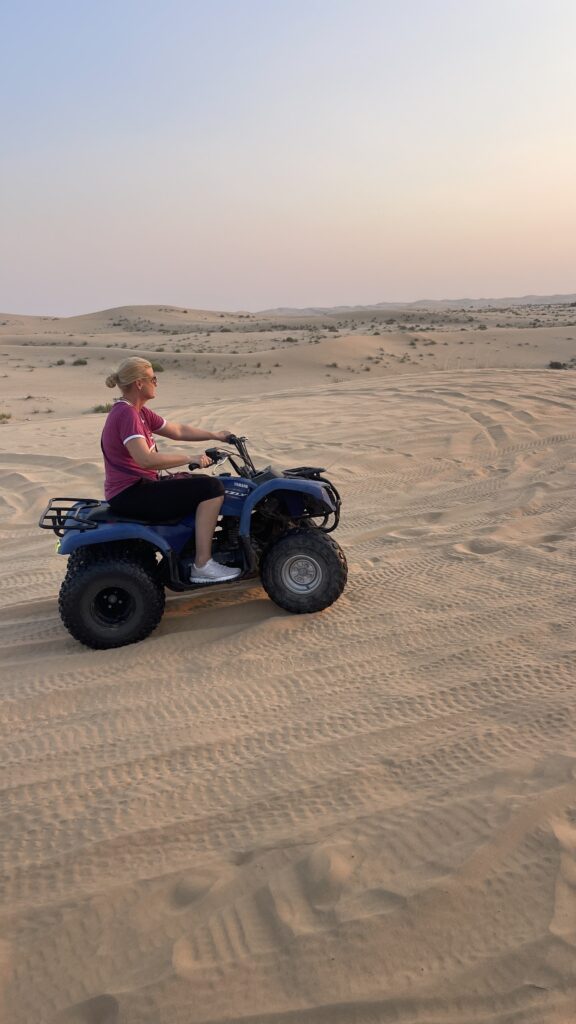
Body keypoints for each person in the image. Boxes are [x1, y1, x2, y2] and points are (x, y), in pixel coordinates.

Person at [101, 357, 241, 584]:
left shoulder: (140, 413)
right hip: (130, 493)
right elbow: (145, 460)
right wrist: (190, 458)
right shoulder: (127, 414)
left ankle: (192, 549)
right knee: (212, 488)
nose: (156, 382)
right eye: (153, 378)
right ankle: (203, 565)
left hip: (137, 488)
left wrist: (216, 435)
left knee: (200, 483)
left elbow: (178, 430)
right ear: (139, 383)